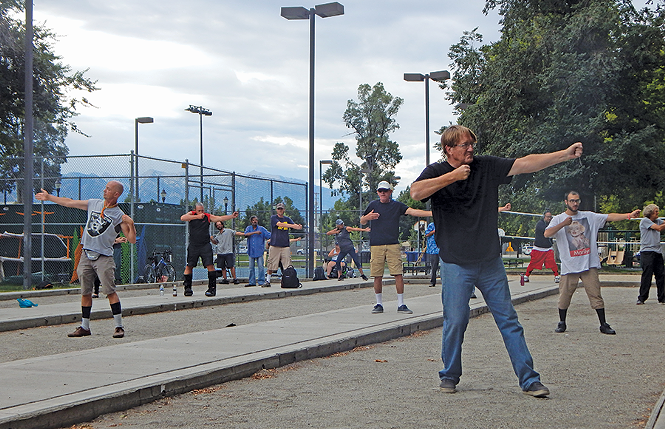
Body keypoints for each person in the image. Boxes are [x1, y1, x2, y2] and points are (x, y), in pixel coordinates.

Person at [410, 125, 584, 397]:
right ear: (449, 149)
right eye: (464, 145)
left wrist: (563, 154)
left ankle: (529, 380)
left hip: (490, 261)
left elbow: (525, 163)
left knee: (509, 321)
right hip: (456, 262)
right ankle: (449, 375)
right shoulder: (436, 172)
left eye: (472, 144)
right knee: (455, 321)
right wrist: (453, 177)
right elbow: (416, 193)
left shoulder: (485, 166)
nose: (470, 148)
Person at [35, 181, 136, 338]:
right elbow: (69, 202)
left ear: (116, 194)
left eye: (108, 189)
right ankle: (85, 326)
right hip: (86, 254)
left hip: (104, 257)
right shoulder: (93, 204)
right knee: (85, 292)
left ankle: (118, 326)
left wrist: (131, 224)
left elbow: (131, 239)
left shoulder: (119, 215)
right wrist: (49, 197)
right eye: (105, 188)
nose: (105, 190)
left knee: (110, 291)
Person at [544, 191, 640, 335]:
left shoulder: (588, 216)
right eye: (571, 201)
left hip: (588, 264)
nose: (575, 203)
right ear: (566, 202)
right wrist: (564, 223)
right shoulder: (558, 219)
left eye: (577, 200)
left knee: (595, 294)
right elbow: (547, 233)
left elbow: (609, 216)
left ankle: (603, 324)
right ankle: (562, 322)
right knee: (564, 295)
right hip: (570, 265)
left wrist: (628, 215)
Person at [360, 181, 432, 314]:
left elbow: (411, 211)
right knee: (377, 275)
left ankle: (401, 304)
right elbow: (362, 221)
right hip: (376, 244)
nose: (382, 193)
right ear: (377, 192)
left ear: (390, 192)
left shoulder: (397, 206)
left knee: (398, 274)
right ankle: (378, 303)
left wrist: (432, 214)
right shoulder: (373, 205)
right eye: (380, 190)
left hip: (392, 244)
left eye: (385, 190)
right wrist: (367, 217)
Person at [180, 204, 238, 297]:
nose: (201, 213)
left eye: (202, 210)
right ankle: (187, 288)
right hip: (194, 245)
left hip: (205, 245)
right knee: (189, 266)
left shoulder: (207, 216)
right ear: (195, 210)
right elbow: (183, 218)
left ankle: (212, 288)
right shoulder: (191, 215)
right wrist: (196, 216)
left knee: (210, 265)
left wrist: (232, 216)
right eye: (199, 210)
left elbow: (219, 218)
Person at [265, 202, 302, 287]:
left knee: (287, 264)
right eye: (278, 209)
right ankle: (268, 281)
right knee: (271, 263)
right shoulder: (273, 218)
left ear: (284, 210)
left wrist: (298, 226)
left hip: (285, 245)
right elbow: (279, 224)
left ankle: (287, 280)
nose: (280, 210)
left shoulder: (287, 219)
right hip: (275, 245)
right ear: (276, 210)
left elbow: (294, 225)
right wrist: (292, 226)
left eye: (281, 209)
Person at [637, 204, 665, 305]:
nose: (658, 213)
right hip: (647, 251)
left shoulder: (658, 220)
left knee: (661, 275)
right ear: (650, 212)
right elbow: (658, 228)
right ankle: (642, 297)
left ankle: (662, 298)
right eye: (656, 212)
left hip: (657, 251)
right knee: (647, 275)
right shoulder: (645, 221)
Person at [524, 210, 560, 283]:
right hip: (539, 248)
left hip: (548, 248)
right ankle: (526, 276)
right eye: (547, 217)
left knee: (552, 262)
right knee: (533, 263)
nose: (549, 218)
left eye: (550, 217)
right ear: (544, 217)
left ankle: (556, 276)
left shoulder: (551, 224)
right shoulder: (540, 224)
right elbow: (548, 230)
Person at [210, 221, 245, 288]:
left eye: (220, 224)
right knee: (223, 267)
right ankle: (225, 279)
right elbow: (215, 242)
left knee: (231, 266)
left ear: (222, 225)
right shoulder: (218, 235)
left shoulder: (228, 231)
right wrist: (212, 239)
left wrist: (244, 234)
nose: (219, 226)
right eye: (217, 225)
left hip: (228, 252)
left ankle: (235, 278)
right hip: (220, 252)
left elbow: (236, 233)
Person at [244, 216, 271, 287]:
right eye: (253, 220)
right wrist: (255, 232)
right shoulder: (248, 228)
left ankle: (261, 281)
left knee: (261, 267)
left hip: (259, 251)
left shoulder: (262, 229)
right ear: (251, 221)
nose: (254, 221)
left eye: (256, 220)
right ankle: (252, 282)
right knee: (251, 268)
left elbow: (269, 235)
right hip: (251, 251)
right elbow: (245, 234)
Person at [424, 222, 439, 287]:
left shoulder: (444, 224)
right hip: (433, 249)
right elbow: (426, 234)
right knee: (434, 266)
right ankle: (433, 281)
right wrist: (434, 231)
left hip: (442, 248)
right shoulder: (431, 225)